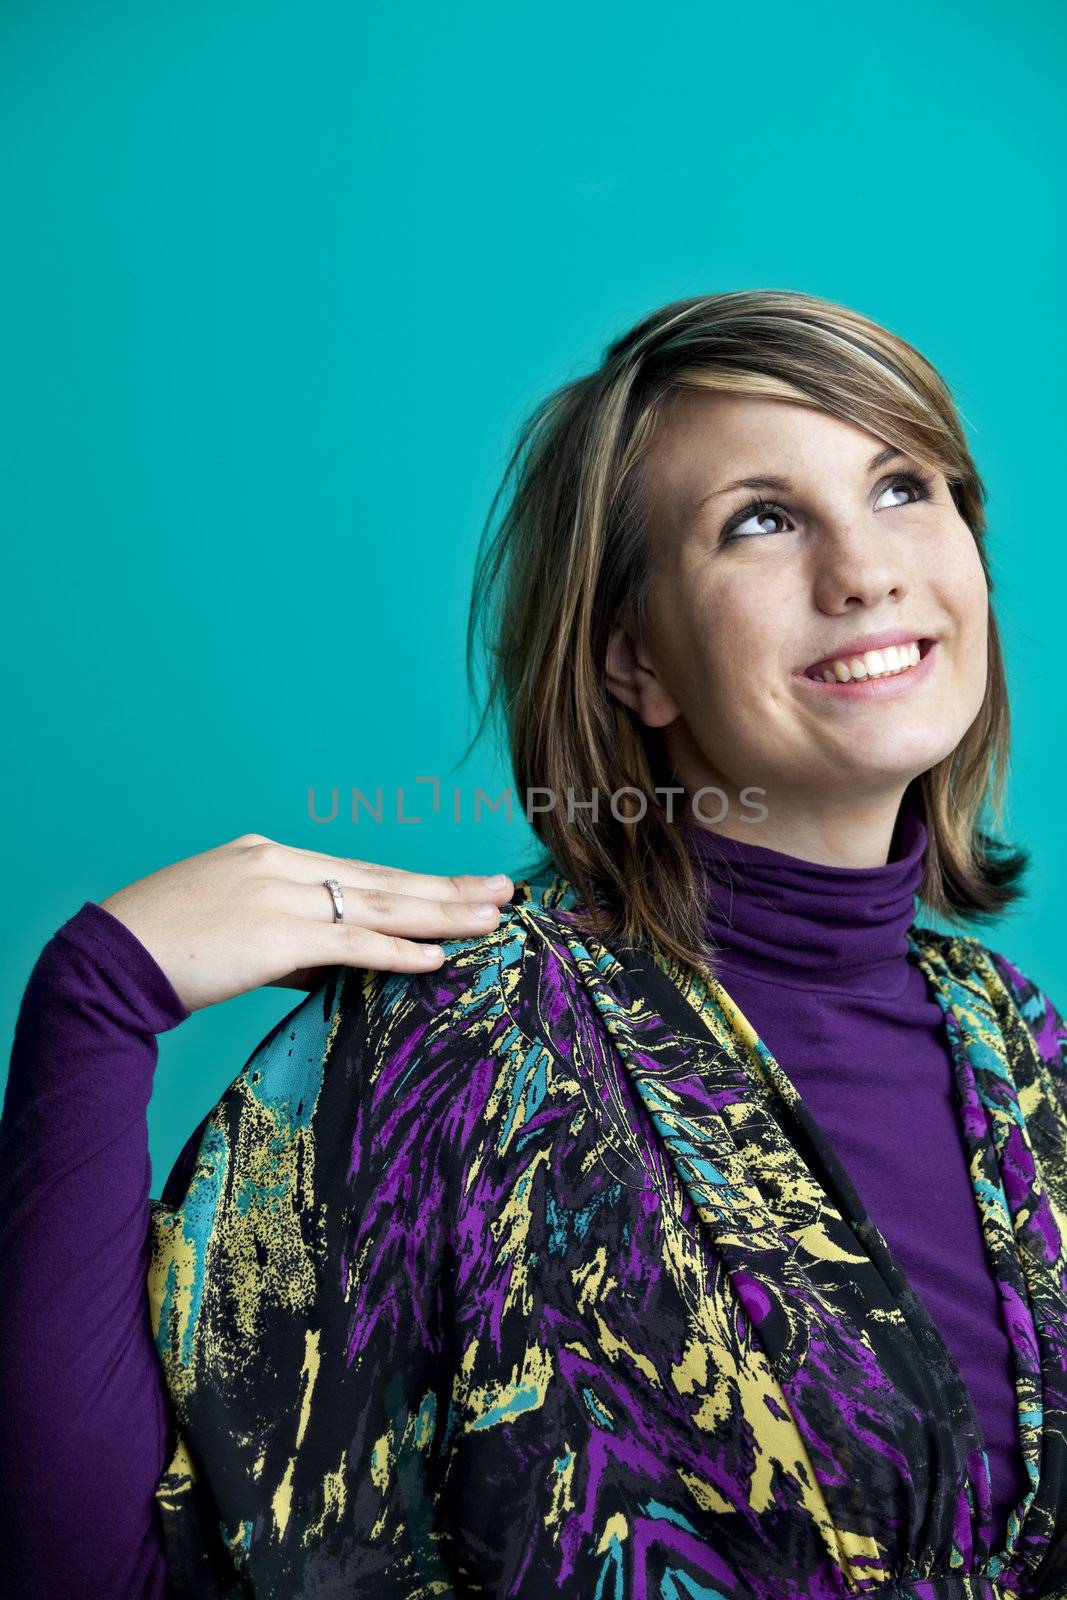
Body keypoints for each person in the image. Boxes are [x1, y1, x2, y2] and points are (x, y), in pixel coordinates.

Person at [3, 287, 1066, 1600]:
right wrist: (95, 999)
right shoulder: (470, 1044)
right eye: (762, 521)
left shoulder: (1025, 1064)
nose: (866, 570)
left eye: (905, 487)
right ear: (636, 663)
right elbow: (99, 1573)